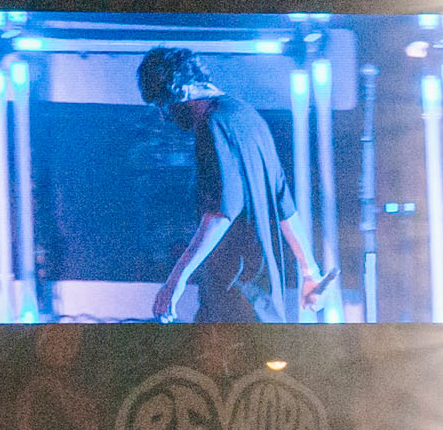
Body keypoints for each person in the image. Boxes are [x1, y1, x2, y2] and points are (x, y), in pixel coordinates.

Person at [138, 48, 329, 324]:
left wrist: (174, 282)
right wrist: (310, 272)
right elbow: (285, 207)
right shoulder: (248, 117)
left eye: (162, 104)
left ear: (178, 90)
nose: (164, 115)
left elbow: (220, 213)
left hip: (231, 296)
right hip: (263, 298)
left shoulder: (212, 124)